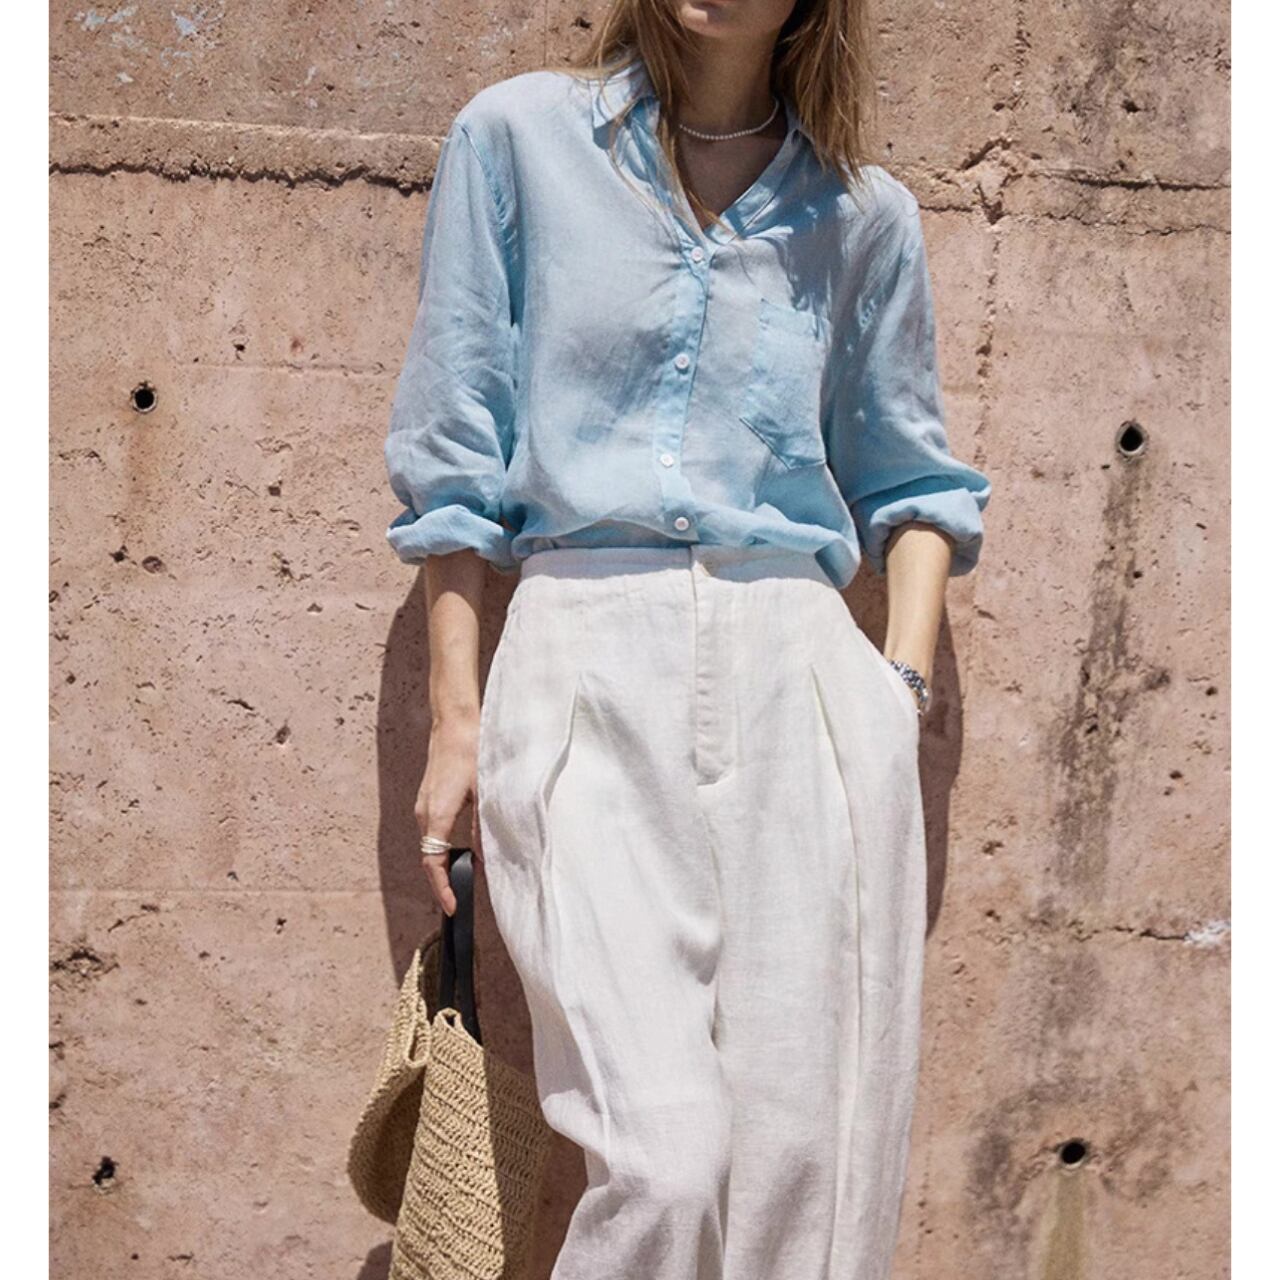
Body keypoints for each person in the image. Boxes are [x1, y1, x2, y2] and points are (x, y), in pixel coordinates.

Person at [383, 1, 992, 1276]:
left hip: (800, 679)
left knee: (802, 1166)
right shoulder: (518, 141)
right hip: (584, 646)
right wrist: (456, 719)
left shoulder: (861, 215)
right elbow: (455, 456)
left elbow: (914, 483)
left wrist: (896, 688)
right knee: (662, 1159)